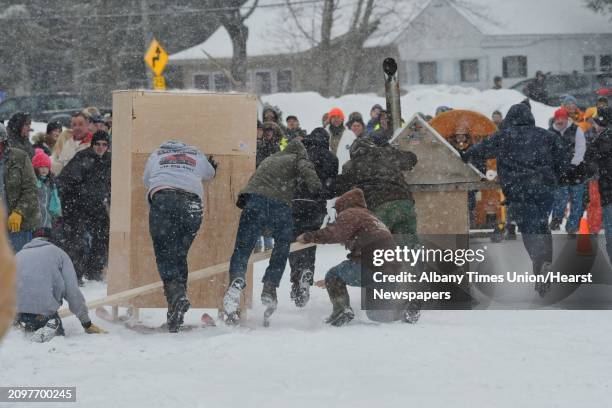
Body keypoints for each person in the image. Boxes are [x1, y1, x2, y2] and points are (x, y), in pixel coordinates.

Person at [461, 101, 564, 296]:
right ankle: (545, 264)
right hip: (544, 190)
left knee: (529, 230)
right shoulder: (546, 136)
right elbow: (562, 159)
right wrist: (555, 177)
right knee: (542, 225)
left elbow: (478, 152)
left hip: (519, 190)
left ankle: (539, 264)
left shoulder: (504, 136)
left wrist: (465, 155)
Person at [222, 140, 322, 325]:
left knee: (242, 249)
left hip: (254, 202)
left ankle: (236, 279)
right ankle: (270, 286)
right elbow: (311, 179)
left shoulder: (270, 159)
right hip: (279, 205)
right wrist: (316, 189)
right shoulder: (299, 158)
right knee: (283, 246)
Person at [297, 188, 420, 326]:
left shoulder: (350, 213)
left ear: (342, 206)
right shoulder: (371, 217)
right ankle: (406, 308)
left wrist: (309, 237)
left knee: (333, 274)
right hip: (391, 269)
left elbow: (335, 233)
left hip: (371, 263)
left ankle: (342, 310)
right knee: (377, 314)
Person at [143, 140, 216, 332]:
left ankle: (177, 297)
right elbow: (211, 173)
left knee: (164, 254)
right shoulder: (196, 154)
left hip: (164, 200)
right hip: (192, 205)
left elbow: (146, 179)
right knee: (178, 255)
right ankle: (176, 311)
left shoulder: (156, 154)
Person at [14, 230, 107, 342]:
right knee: (56, 340)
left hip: (19, 313)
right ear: (51, 239)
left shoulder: (18, 256)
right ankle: (49, 327)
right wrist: (86, 322)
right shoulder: (59, 254)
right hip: (45, 314)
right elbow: (72, 291)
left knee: (23, 330)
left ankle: (24, 325)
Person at [335, 137, 418, 247]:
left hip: (377, 206)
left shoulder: (351, 165)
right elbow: (412, 158)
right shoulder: (386, 154)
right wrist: (388, 148)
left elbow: (340, 186)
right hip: (404, 203)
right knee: (409, 246)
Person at [289, 128, 338, 307]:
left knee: (294, 243)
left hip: (295, 202)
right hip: (316, 206)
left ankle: (296, 280)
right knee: (309, 240)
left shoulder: (300, 154)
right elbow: (332, 188)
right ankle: (307, 272)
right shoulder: (332, 158)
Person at [58, 130, 111, 284]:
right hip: (78, 206)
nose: (101, 148)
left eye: (104, 145)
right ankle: (76, 274)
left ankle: (94, 271)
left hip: (97, 205)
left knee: (102, 237)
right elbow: (65, 180)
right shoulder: (83, 157)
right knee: (77, 241)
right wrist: (72, 202)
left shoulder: (109, 159)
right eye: (98, 144)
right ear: (92, 145)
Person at [0, 124, 41, 252]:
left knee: (20, 267)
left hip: (18, 227)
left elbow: (31, 189)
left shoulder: (19, 157)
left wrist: (19, 212)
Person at [548, 108, 587, 235]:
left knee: (577, 200)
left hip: (576, 171)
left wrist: (573, 164)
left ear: (567, 119)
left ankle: (572, 225)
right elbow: (548, 152)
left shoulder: (576, 130)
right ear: (555, 119)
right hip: (559, 172)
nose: (560, 121)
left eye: (562, 119)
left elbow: (581, 148)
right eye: (558, 119)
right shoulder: (550, 132)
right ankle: (556, 220)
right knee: (560, 198)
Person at [583, 107, 612, 261]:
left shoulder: (598, 141)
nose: (594, 125)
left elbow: (588, 161)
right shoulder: (598, 140)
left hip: (608, 192)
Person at [31, 149, 61, 231]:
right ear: (36, 168)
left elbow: (53, 202)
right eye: (41, 167)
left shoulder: (51, 183)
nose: (44, 169)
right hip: (35, 221)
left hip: (48, 221)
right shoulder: (33, 182)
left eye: (46, 167)